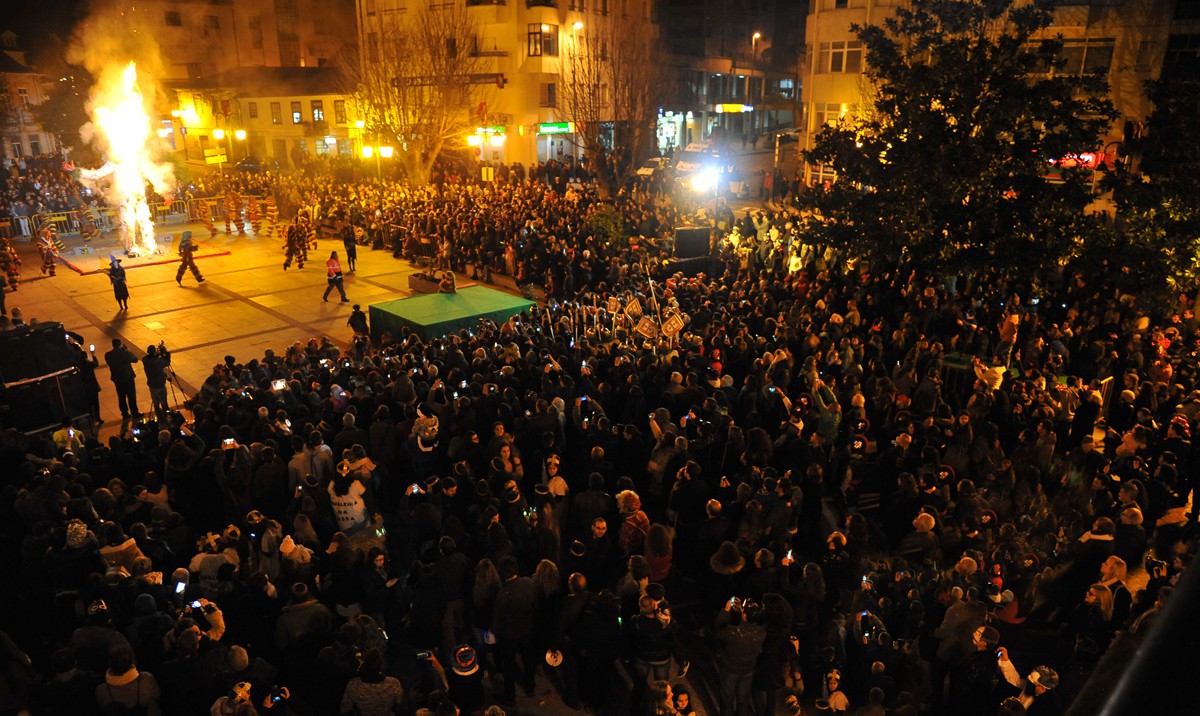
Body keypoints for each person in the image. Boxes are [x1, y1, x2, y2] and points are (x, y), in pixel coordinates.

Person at [105, 338, 141, 419]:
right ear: (120, 344)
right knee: (131, 395)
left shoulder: (108, 355)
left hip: (117, 378)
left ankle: (124, 413)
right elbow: (135, 359)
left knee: (121, 396)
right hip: (128, 377)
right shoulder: (125, 353)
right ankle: (134, 412)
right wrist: (126, 351)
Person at [143, 343, 172, 424]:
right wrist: (166, 353)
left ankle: (160, 417)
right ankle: (165, 418)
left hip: (152, 385)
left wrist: (157, 354)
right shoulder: (158, 361)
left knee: (156, 403)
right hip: (160, 384)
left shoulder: (145, 360)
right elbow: (167, 362)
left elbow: (151, 358)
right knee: (164, 402)